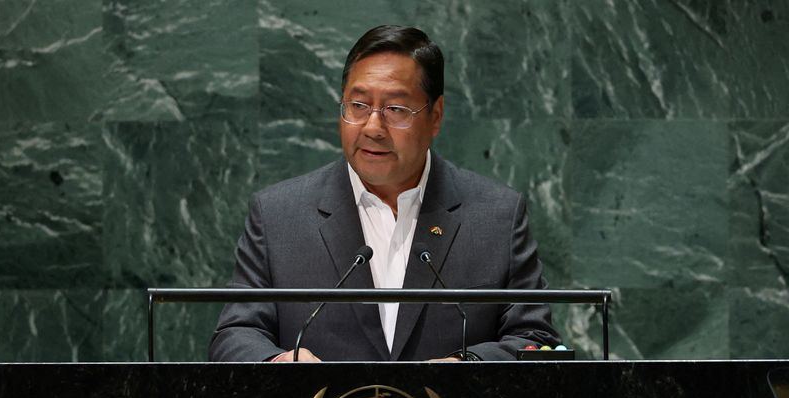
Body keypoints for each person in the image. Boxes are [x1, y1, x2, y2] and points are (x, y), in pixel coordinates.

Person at [209, 25, 559, 362]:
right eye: (358, 106)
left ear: (435, 116)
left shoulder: (496, 216)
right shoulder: (278, 215)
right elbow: (236, 333)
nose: (373, 127)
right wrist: (279, 362)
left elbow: (535, 341)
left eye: (396, 109)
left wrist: (468, 367)